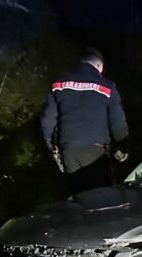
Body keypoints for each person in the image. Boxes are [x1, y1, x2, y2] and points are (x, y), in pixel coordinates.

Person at [40, 48, 129, 194]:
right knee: (101, 195)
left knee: (79, 195)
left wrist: (50, 143)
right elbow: (117, 122)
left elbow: (47, 120)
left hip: (69, 150)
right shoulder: (107, 87)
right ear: (99, 66)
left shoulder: (58, 85)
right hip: (96, 151)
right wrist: (122, 146)